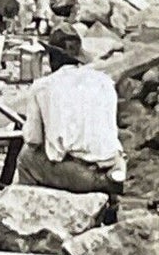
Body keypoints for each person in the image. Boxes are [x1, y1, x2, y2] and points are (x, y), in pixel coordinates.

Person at [16, 59, 126, 198]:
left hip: (79, 173)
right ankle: (111, 208)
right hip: (114, 166)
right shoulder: (105, 81)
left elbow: (33, 140)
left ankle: (28, 208)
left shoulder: (42, 86)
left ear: (51, 60)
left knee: (26, 157)